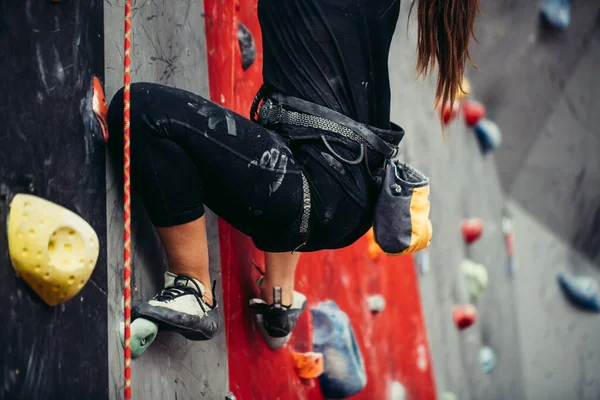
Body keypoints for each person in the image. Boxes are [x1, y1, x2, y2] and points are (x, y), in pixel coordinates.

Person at [107, 0, 478, 348]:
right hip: (352, 191)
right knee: (293, 143)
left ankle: (192, 287)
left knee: (138, 110)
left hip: (310, 191)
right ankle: (279, 299)